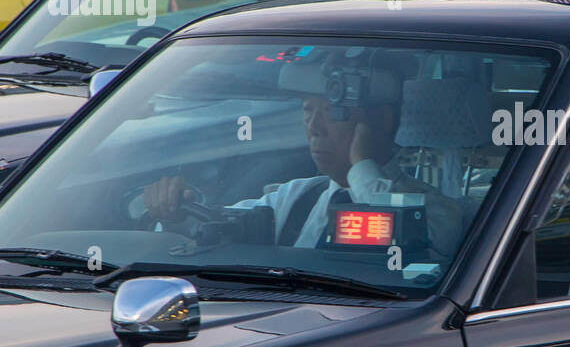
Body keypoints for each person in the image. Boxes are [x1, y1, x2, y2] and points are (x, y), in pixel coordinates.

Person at [143, 49, 464, 258]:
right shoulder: (296, 198)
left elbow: (414, 251)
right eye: (308, 111)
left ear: (379, 121)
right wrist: (178, 216)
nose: (315, 127)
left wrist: (362, 166)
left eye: (331, 111)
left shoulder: (438, 212)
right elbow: (218, 229)